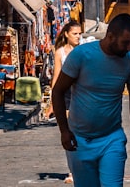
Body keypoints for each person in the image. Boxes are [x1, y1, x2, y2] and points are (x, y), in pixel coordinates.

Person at [51, 13, 130, 187]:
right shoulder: (82, 56)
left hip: (112, 139)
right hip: (79, 140)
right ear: (110, 36)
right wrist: (64, 130)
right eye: (125, 42)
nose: (129, 48)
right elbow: (57, 91)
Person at [46, 21, 83, 184]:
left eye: (80, 33)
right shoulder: (60, 52)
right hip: (66, 94)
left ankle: (84, 166)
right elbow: (56, 77)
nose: (78, 36)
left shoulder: (83, 51)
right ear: (67, 34)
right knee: (69, 131)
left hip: (82, 94)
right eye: (75, 33)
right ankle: (72, 170)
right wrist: (53, 101)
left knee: (82, 132)